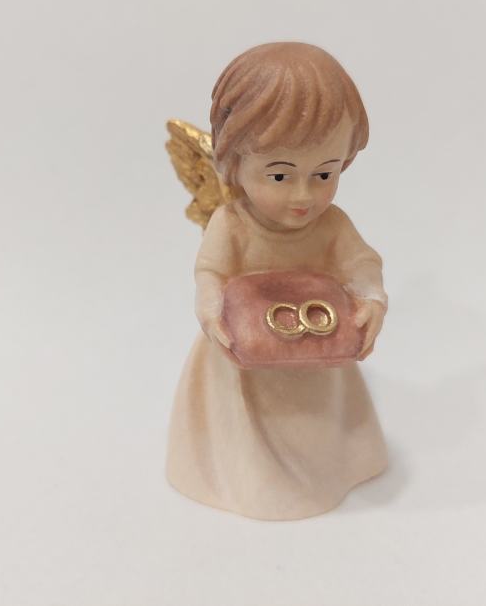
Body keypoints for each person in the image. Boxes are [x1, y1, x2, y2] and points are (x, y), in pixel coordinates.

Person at [166, 42, 389, 520]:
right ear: (233, 163)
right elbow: (210, 272)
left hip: (317, 357)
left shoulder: (332, 226)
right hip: (243, 366)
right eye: (280, 176)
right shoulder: (232, 224)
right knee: (251, 441)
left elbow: (361, 265)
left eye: (324, 174)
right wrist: (211, 307)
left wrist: (371, 299)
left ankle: (329, 469)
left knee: (317, 429)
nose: (304, 196)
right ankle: (256, 482)